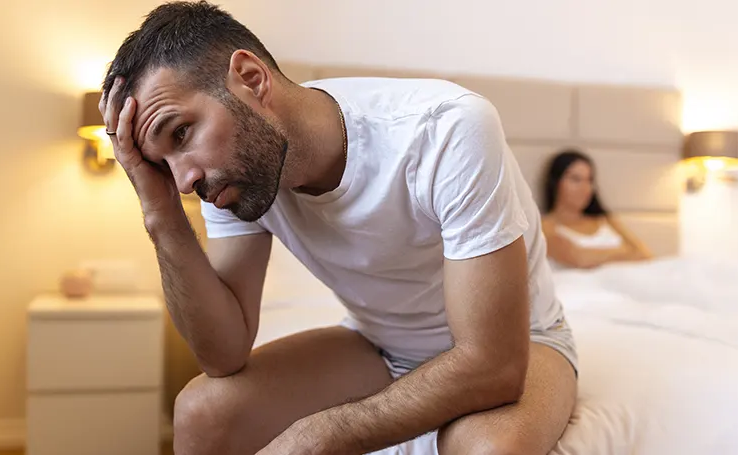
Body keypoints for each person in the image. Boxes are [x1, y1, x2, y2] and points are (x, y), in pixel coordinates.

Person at [98, 2, 577, 454]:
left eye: (181, 133)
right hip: (378, 344)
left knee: (490, 450)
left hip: (523, 343)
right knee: (201, 411)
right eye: (164, 164)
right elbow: (223, 354)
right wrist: (159, 212)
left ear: (249, 78)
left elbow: (494, 365)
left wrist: (326, 432)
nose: (184, 180)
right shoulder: (230, 178)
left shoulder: (444, 130)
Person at [541, 149, 653, 270]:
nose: (585, 188)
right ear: (556, 182)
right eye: (576, 179)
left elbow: (645, 255)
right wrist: (625, 252)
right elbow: (579, 259)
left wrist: (597, 257)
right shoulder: (545, 226)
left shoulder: (606, 220)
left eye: (589, 180)